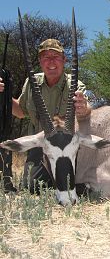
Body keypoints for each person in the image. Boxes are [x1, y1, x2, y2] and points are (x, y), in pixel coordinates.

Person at [0, 38, 91, 192]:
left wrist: (84, 109)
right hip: (41, 146)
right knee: (32, 187)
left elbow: (86, 111)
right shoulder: (32, 81)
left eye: (55, 57)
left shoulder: (75, 84)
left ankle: (80, 183)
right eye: (46, 57)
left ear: (64, 59)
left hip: (68, 146)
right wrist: (5, 95)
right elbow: (21, 112)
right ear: (40, 61)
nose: (51, 61)